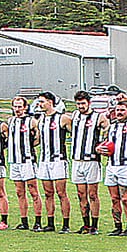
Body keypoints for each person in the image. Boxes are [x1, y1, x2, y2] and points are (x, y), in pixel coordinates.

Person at [101, 95, 127, 236]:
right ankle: (117, 226)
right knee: (114, 198)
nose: (120, 112)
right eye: (118, 110)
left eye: (123, 110)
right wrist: (100, 149)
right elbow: (104, 143)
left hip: (126, 166)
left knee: (125, 198)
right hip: (111, 166)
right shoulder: (111, 126)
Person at [67, 92, 102, 233]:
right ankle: (85, 224)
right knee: (81, 194)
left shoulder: (98, 117)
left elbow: (107, 131)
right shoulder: (74, 116)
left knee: (92, 194)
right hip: (77, 160)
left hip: (91, 161)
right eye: (78, 103)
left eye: (83, 103)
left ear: (89, 103)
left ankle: (95, 225)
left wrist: (102, 145)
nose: (81, 106)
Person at [34, 93, 69, 232]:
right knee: (48, 193)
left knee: (61, 193)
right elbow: (38, 139)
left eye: (42, 102)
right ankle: (50, 223)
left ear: (50, 102)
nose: (39, 104)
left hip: (58, 160)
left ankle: (65, 224)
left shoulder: (62, 118)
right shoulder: (40, 120)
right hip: (44, 160)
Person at [6, 96, 38, 230]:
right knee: (20, 192)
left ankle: (37, 221)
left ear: (25, 107)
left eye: (20, 106)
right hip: (14, 161)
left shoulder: (31, 121)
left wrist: (30, 147)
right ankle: (24, 221)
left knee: (33, 191)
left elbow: (38, 138)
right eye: (15, 106)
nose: (17, 109)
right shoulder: (10, 121)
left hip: (27, 161)